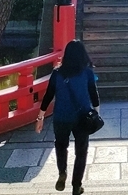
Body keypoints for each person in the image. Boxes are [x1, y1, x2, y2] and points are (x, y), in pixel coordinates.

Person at [36, 40, 100, 195]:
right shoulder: (87, 73)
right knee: (81, 151)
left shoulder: (57, 74)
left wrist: (40, 118)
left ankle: (62, 172)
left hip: (61, 117)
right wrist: (96, 113)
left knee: (60, 146)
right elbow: (94, 95)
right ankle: (76, 185)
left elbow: (48, 95)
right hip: (83, 117)